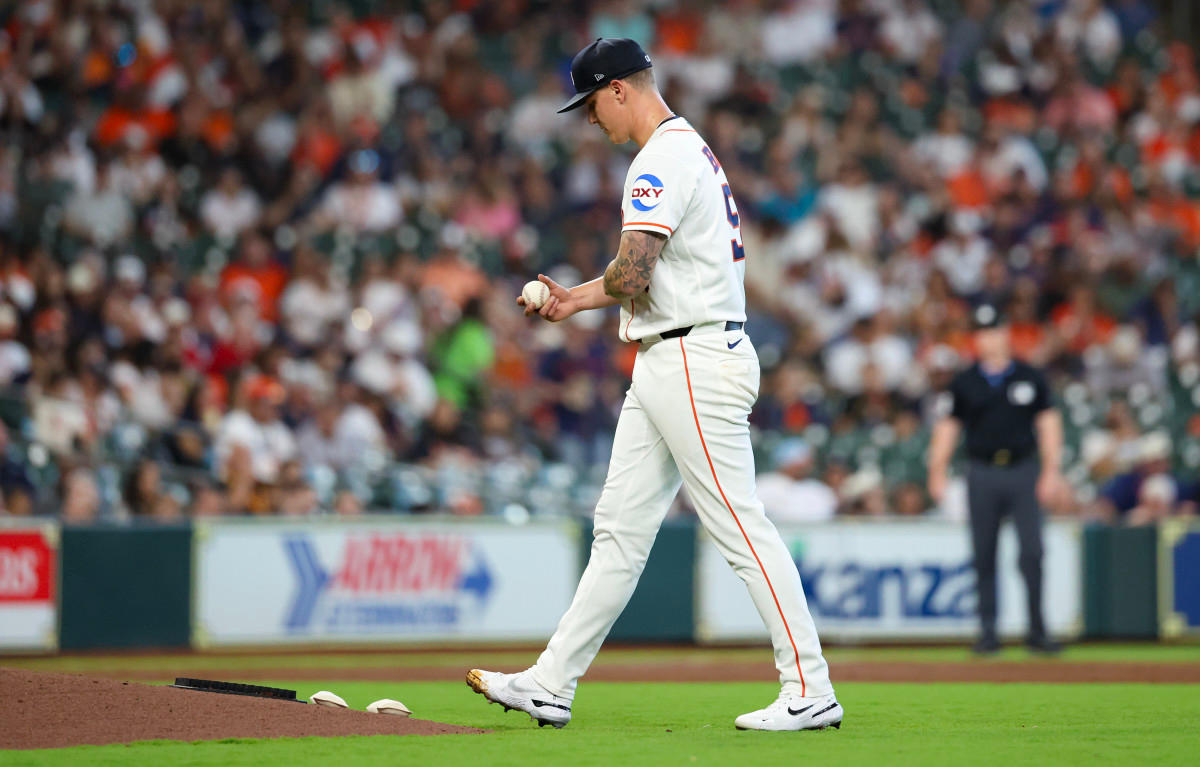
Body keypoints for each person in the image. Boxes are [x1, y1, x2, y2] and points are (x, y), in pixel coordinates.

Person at [466, 38, 840, 732]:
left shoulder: (660, 158)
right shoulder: (684, 147)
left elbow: (634, 274)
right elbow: (640, 277)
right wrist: (576, 299)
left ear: (618, 90)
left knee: (738, 524)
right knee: (619, 531)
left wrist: (573, 300)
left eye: (590, 104)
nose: (589, 120)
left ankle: (809, 686)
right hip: (672, 356)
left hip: (692, 356)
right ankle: (551, 682)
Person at [927, 304, 1067, 655]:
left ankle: (1037, 630)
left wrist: (1051, 472)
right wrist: (937, 470)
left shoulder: (1029, 376)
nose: (988, 339)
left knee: (1032, 552)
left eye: (994, 330)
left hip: (1022, 470)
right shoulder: (965, 382)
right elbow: (948, 428)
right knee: (983, 554)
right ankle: (988, 632)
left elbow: (1049, 425)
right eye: (981, 332)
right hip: (982, 471)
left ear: (1005, 333)